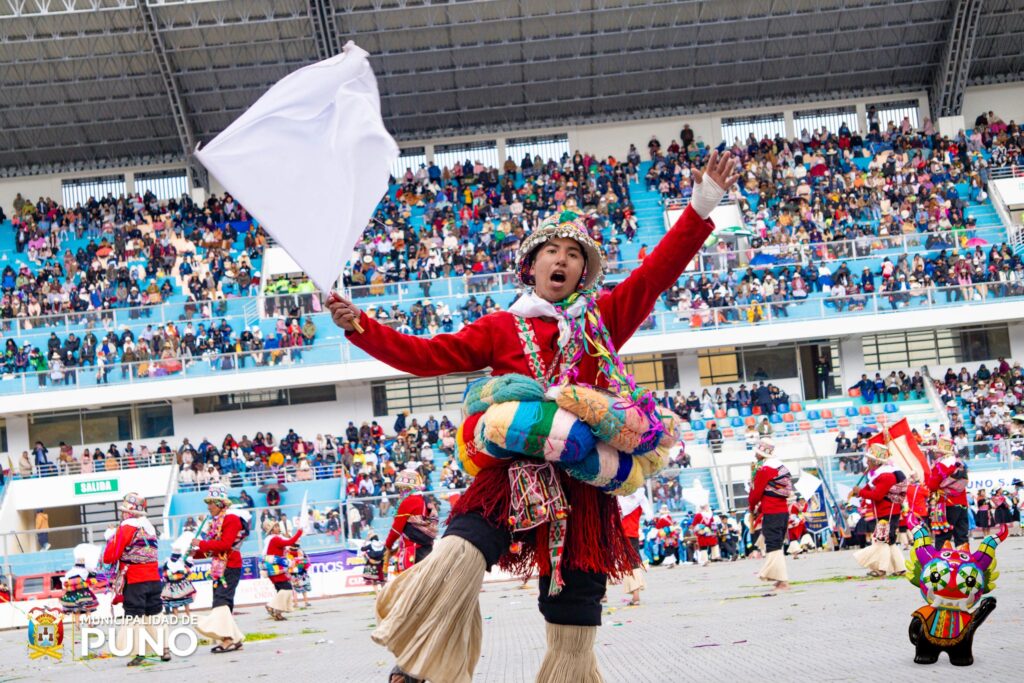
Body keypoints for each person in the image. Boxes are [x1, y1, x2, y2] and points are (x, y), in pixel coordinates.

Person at [328, 151, 735, 683]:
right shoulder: (499, 327)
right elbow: (426, 356)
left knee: (574, 611)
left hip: (582, 481)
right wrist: (361, 327)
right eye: (552, 251)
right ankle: (425, 667)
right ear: (533, 265)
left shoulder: (603, 319)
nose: (561, 260)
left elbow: (656, 275)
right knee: (459, 553)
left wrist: (702, 204)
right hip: (510, 474)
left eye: (573, 254)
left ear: (583, 272)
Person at [102, 493, 167, 666]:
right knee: (154, 613)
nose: (122, 514)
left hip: (135, 578)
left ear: (128, 512)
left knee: (134, 615)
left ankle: (138, 651)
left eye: (124, 511)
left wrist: (110, 538)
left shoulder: (127, 527)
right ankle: (164, 647)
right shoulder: (149, 528)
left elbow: (110, 556)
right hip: (154, 577)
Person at [192, 483, 250, 654]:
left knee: (221, 602)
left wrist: (201, 543)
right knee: (222, 601)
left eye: (211, 503)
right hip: (220, 566)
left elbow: (225, 545)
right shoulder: (216, 522)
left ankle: (228, 639)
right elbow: (214, 549)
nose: (208, 507)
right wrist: (195, 553)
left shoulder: (231, 519)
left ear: (219, 504)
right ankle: (233, 639)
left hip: (230, 565)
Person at [852, 444, 908, 577]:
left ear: (876, 462)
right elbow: (869, 489)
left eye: (869, 460)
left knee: (881, 540)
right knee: (890, 541)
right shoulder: (879, 475)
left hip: (888, 512)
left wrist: (860, 492)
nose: (867, 462)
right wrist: (859, 492)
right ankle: (900, 568)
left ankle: (881, 569)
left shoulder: (886, 475)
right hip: (885, 512)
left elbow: (877, 495)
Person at [748, 438, 791, 590]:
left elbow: (756, 493)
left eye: (757, 453)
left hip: (772, 512)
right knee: (777, 544)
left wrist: (752, 507)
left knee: (773, 544)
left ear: (762, 454)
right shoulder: (782, 467)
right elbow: (771, 493)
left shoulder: (764, 470)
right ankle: (779, 578)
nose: (755, 455)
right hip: (783, 511)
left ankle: (782, 580)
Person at [383, 470, 437, 575]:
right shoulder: (425, 500)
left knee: (409, 583)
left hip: (412, 550)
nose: (400, 491)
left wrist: (388, 545)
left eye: (402, 488)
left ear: (407, 488)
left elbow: (396, 530)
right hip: (427, 547)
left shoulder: (408, 502)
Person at [927, 438, 969, 547]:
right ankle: (963, 555)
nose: (935, 454)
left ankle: (942, 557)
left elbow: (932, 486)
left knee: (943, 537)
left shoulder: (940, 466)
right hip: (962, 503)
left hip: (947, 504)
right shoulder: (959, 464)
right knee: (962, 536)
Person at [60, 544, 105, 636]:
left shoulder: (69, 572)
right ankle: (90, 624)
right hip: (83, 592)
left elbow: (64, 583)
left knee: (77, 611)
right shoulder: (84, 571)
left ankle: (77, 626)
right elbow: (93, 577)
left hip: (72, 593)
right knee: (88, 609)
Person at [617, 487, 651, 605]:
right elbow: (648, 514)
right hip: (634, 534)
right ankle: (635, 594)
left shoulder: (621, 502)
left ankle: (635, 595)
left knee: (629, 564)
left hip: (622, 534)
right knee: (633, 563)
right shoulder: (638, 504)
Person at [262, 519, 302, 620]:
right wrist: (299, 532)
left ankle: (278, 614)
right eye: (276, 526)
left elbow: (288, 546)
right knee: (287, 588)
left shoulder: (273, 539)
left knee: (281, 590)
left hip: (275, 568)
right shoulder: (275, 539)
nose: (278, 528)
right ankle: (271, 606)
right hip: (276, 569)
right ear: (271, 530)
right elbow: (290, 542)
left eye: (278, 526)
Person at [161, 537, 196, 616]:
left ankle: (178, 617)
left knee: (175, 602)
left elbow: (164, 573)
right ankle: (188, 615)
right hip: (182, 584)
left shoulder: (168, 562)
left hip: (174, 584)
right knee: (185, 601)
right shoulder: (182, 560)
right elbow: (190, 567)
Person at [288, 542, 312, 609]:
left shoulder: (288, 554)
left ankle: (296, 603)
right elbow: (307, 562)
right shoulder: (301, 552)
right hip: (302, 572)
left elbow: (288, 564)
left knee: (294, 589)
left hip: (293, 573)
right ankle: (306, 602)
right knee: (304, 587)